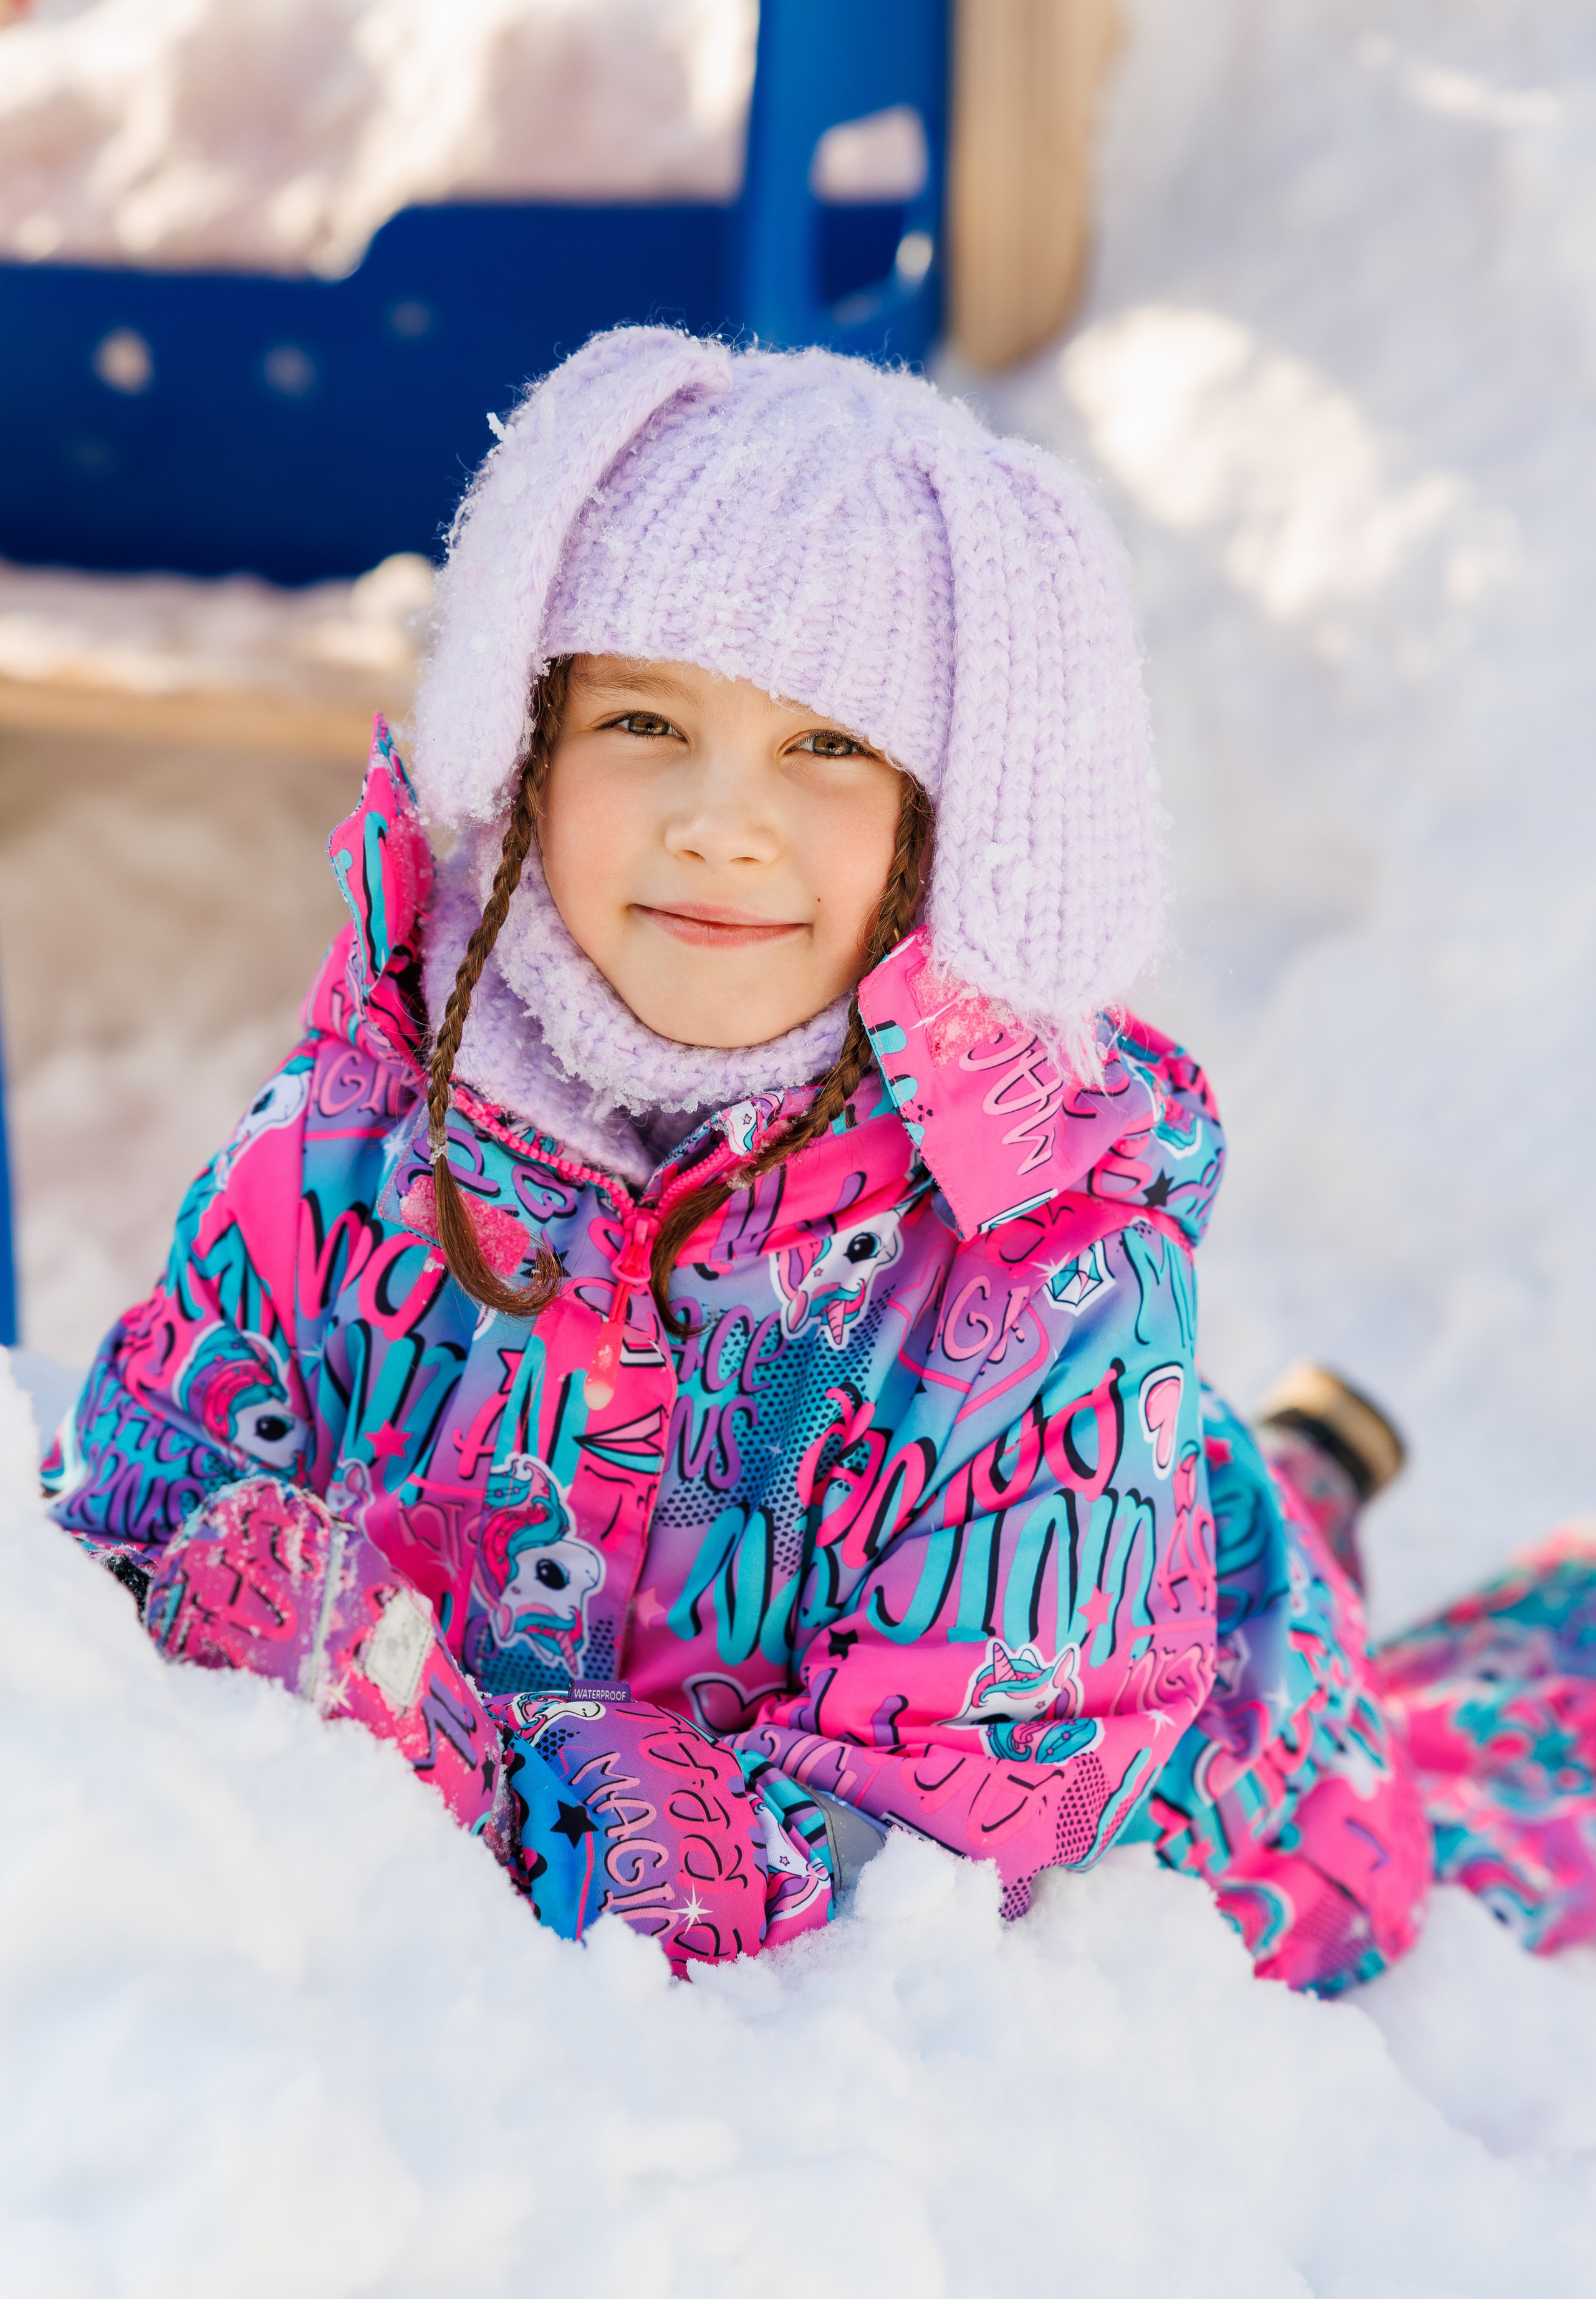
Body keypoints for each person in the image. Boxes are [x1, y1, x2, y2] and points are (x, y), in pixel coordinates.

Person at [45, 327, 1596, 1985]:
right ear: (528, 740)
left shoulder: (1046, 1277)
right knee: (1210, 1498)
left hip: (1197, 1772)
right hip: (1029, 1548)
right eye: (644, 719)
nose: (723, 819)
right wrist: (218, 1593)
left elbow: (926, 1858)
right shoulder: (359, 1128)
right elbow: (131, 1511)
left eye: (827, 748)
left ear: (953, 816)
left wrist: (467, 1777)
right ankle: (1300, 1465)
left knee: (1459, 1793)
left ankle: (1392, 1557)